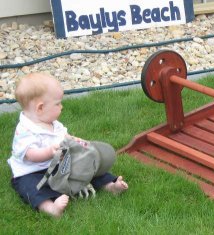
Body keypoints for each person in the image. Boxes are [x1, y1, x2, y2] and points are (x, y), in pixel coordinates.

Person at [7, 73, 128, 217]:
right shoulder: (25, 130)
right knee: (31, 188)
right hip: (33, 171)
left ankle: (110, 185)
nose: (61, 106)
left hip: (59, 164)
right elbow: (30, 155)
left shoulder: (53, 123)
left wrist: (79, 142)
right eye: (57, 104)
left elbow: (66, 137)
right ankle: (50, 208)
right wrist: (49, 152)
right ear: (40, 108)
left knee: (86, 167)